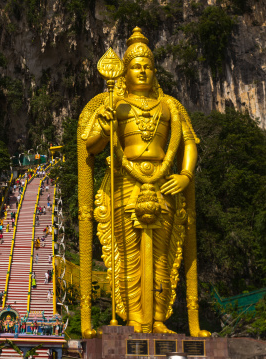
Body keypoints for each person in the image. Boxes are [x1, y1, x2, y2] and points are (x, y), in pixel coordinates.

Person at [78, 27, 209, 336]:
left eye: (148, 66)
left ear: (154, 70)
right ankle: (134, 319)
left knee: (163, 254)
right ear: (125, 70)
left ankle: (160, 319)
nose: (142, 71)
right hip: (125, 181)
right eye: (136, 66)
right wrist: (104, 124)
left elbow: (189, 143)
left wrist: (185, 174)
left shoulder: (171, 107)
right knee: (129, 254)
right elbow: (91, 146)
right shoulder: (113, 104)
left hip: (164, 182)